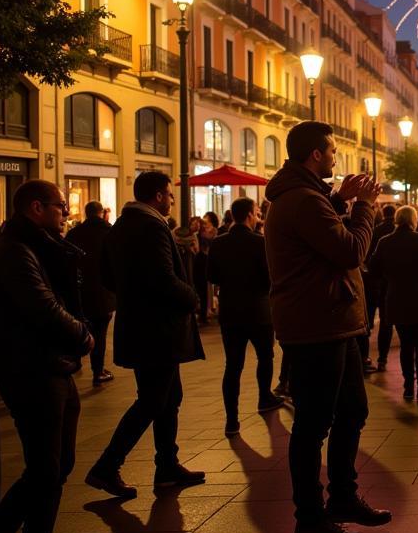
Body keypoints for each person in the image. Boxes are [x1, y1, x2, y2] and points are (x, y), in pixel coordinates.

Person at [264, 122, 390, 533]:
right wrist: (365, 208)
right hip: (317, 324)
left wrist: (340, 199)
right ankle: (310, 521)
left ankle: (342, 496)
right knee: (313, 424)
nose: (337, 157)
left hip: (334, 319)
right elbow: (349, 250)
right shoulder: (301, 200)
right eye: (333, 150)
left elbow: (320, 230)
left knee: (352, 410)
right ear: (315, 155)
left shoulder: (307, 197)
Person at [0, 181, 93, 533]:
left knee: (55, 466)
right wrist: (82, 334)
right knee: (44, 469)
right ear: (36, 207)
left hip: (51, 365)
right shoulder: (16, 249)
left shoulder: (39, 245)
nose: (65, 213)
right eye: (59, 206)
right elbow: (40, 304)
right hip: (31, 369)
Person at [86, 171, 206, 501]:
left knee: (169, 397)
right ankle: (107, 466)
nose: (171, 200)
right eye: (169, 195)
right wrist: (192, 297)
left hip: (138, 326)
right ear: (156, 196)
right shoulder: (152, 227)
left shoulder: (120, 227)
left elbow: (108, 277)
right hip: (159, 330)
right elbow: (164, 280)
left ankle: (167, 465)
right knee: (153, 400)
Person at [208, 197, 284, 437]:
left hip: (231, 311)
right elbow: (270, 276)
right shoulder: (260, 242)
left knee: (233, 365)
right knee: (265, 356)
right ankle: (264, 397)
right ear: (250, 215)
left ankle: (232, 419)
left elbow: (212, 276)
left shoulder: (218, 243)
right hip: (259, 310)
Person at [369, 205, 418, 403]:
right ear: (413, 220)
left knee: (406, 346)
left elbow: (373, 268)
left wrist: (390, 276)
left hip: (397, 298)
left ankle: (408, 386)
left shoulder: (385, 242)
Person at [66, 200, 116, 385]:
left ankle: (76, 362)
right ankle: (98, 370)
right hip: (104, 291)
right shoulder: (109, 232)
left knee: (79, 326)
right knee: (100, 331)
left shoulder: (74, 233)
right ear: (101, 213)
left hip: (80, 291)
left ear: (86, 213)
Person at [364, 203, 396, 369]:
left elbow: (369, 256)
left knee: (368, 320)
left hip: (374, 281)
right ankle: (382, 359)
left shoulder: (376, 231)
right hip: (390, 282)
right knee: (386, 321)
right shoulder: (396, 233)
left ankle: (365, 356)